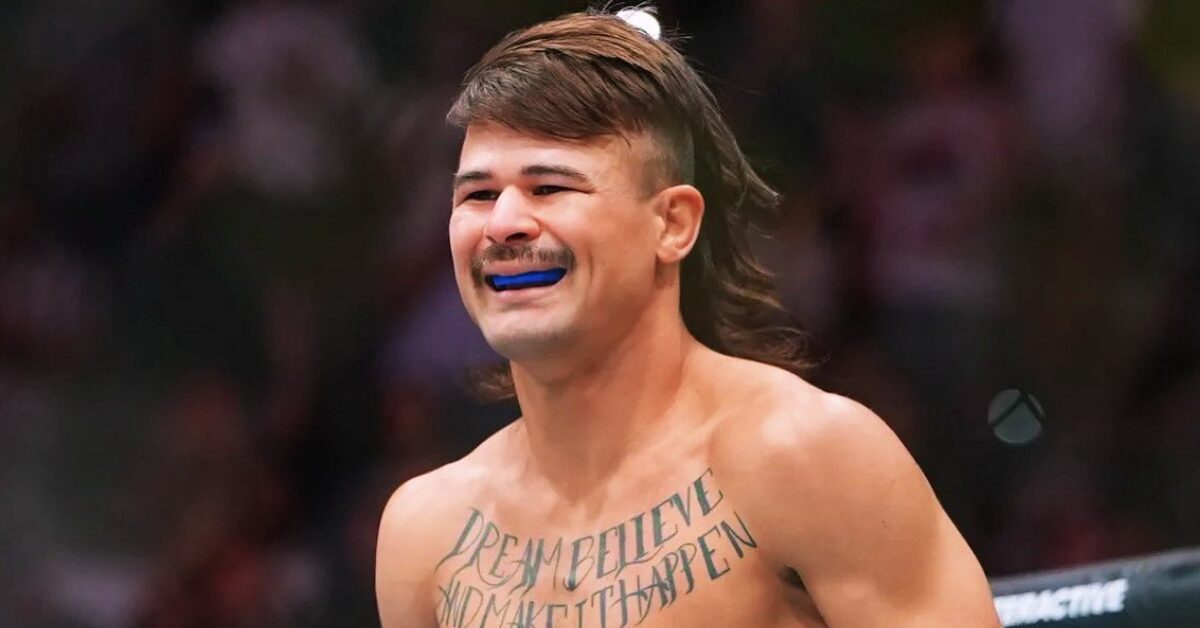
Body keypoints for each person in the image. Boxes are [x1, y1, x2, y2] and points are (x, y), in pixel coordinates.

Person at [376, 8, 1001, 627]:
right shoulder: (426, 532)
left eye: (550, 188)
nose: (504, 223)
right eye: (478, 194)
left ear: (672, 224)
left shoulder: (803, 454)